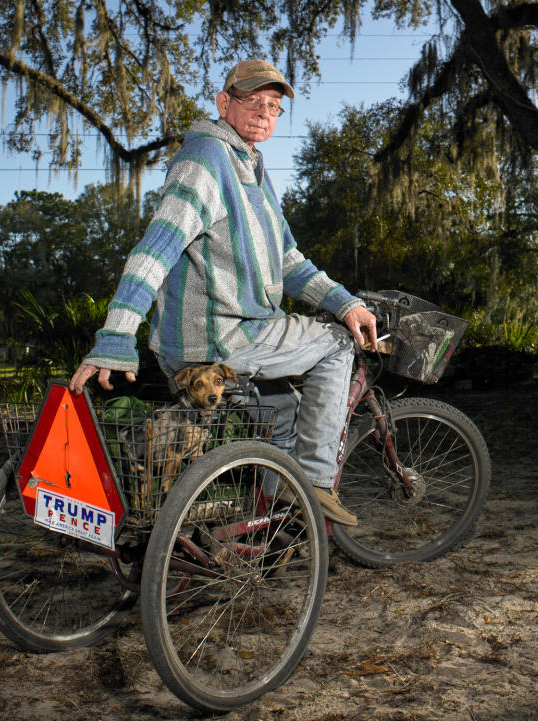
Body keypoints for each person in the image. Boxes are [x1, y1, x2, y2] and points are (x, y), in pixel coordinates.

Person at [69, 59, 379, 525]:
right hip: (222, 337)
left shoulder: (251, 169)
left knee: (285, 415)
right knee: (336, 343)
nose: (264, 112)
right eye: (253, 101)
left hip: (221, 341)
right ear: (223, 103)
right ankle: (314, 485)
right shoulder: (207, 160)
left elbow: (289, 262)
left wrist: (344, 300)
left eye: (273, 106)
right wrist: (115, 338)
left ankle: (269, 528)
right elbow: (154, 250)